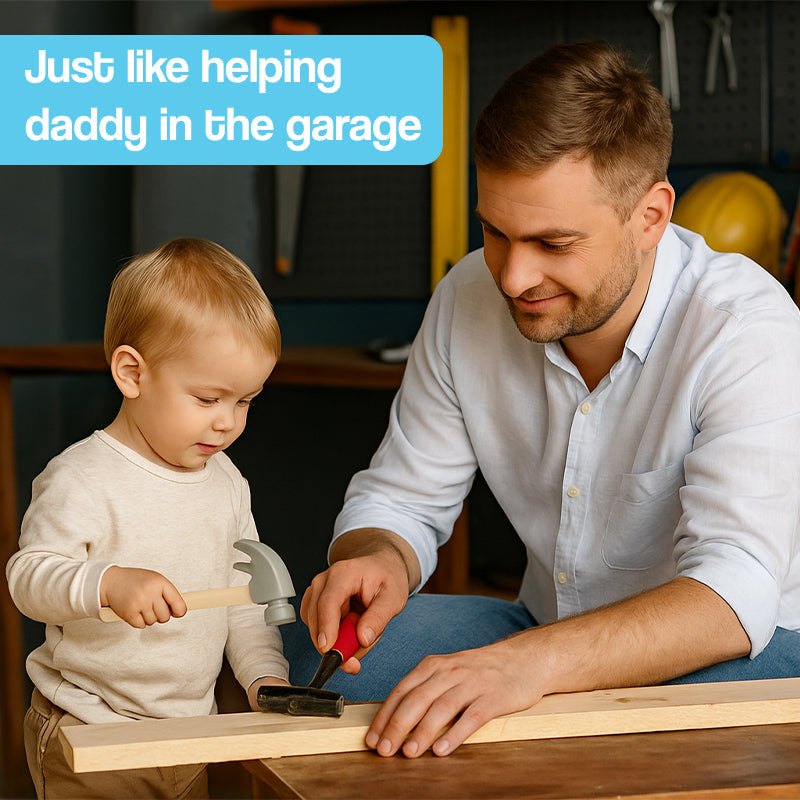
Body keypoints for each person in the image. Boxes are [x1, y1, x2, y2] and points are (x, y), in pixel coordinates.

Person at [285, 40, 800, 760]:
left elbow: (732, 594)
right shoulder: (467, 294)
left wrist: (525, 669)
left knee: (680, 727)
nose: (513, 276)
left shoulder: (747, 327)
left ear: (650, 217)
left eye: (554, 244)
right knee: (300, 663)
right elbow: (400, 501)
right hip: (538, 630)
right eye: (495, 231)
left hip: (744, 652)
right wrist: (379, 557)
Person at [6, 238, 289, 799]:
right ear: (132, 374)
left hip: (188, 733)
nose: (227, 423)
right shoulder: (82, 478)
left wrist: (264, 677)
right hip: (90, 729)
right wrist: (107, 584)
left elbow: (245, 599)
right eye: (208, 399)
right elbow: (28, 578)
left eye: (245, 402)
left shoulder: (228, 483)